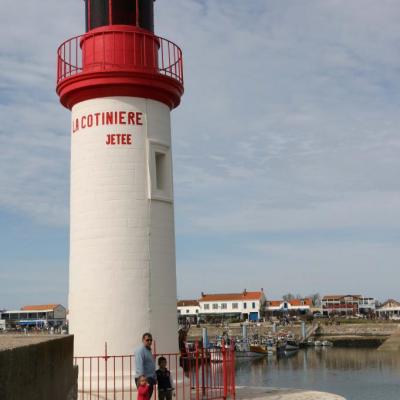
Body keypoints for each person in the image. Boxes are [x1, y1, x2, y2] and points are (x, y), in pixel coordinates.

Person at [135, 333, 156, 398]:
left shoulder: (148, 350)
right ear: (143, 340)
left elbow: (151, 365)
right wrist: (143, 381)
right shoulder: (140, 350)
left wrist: (154, 377)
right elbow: (139, 366)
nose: (149, 341)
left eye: (150, 340)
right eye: (147, 340)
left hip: (149, 378)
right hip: (144, 379)